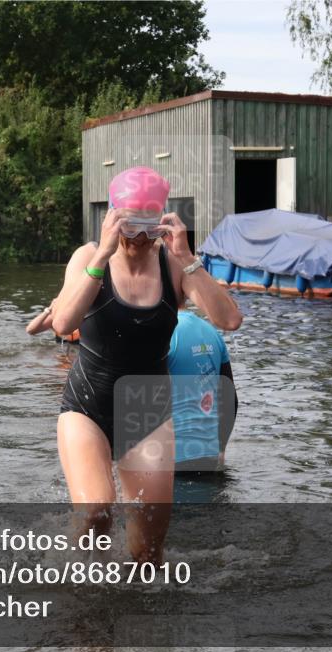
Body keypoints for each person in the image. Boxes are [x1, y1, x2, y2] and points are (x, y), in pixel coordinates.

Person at [51, 166, 242, 563]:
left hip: (147, 409)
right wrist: (102, 256)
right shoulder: (88, 256)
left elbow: (229, 320)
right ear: (113, 218)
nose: (139, 238)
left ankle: (136, 599)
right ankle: (74, 589)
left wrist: (187, 257)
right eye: (130, 226)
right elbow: (63, 323)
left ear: (162, 222)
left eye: (148, 227)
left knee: (148, 551)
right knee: (96, 513)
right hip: (87, 405)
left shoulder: (173, 263)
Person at [168, 310, 238, 473]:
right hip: (209, 455)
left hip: (169, 458)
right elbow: (230, 400)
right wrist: (221, 449)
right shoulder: (211, 331)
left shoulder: (160, 334)